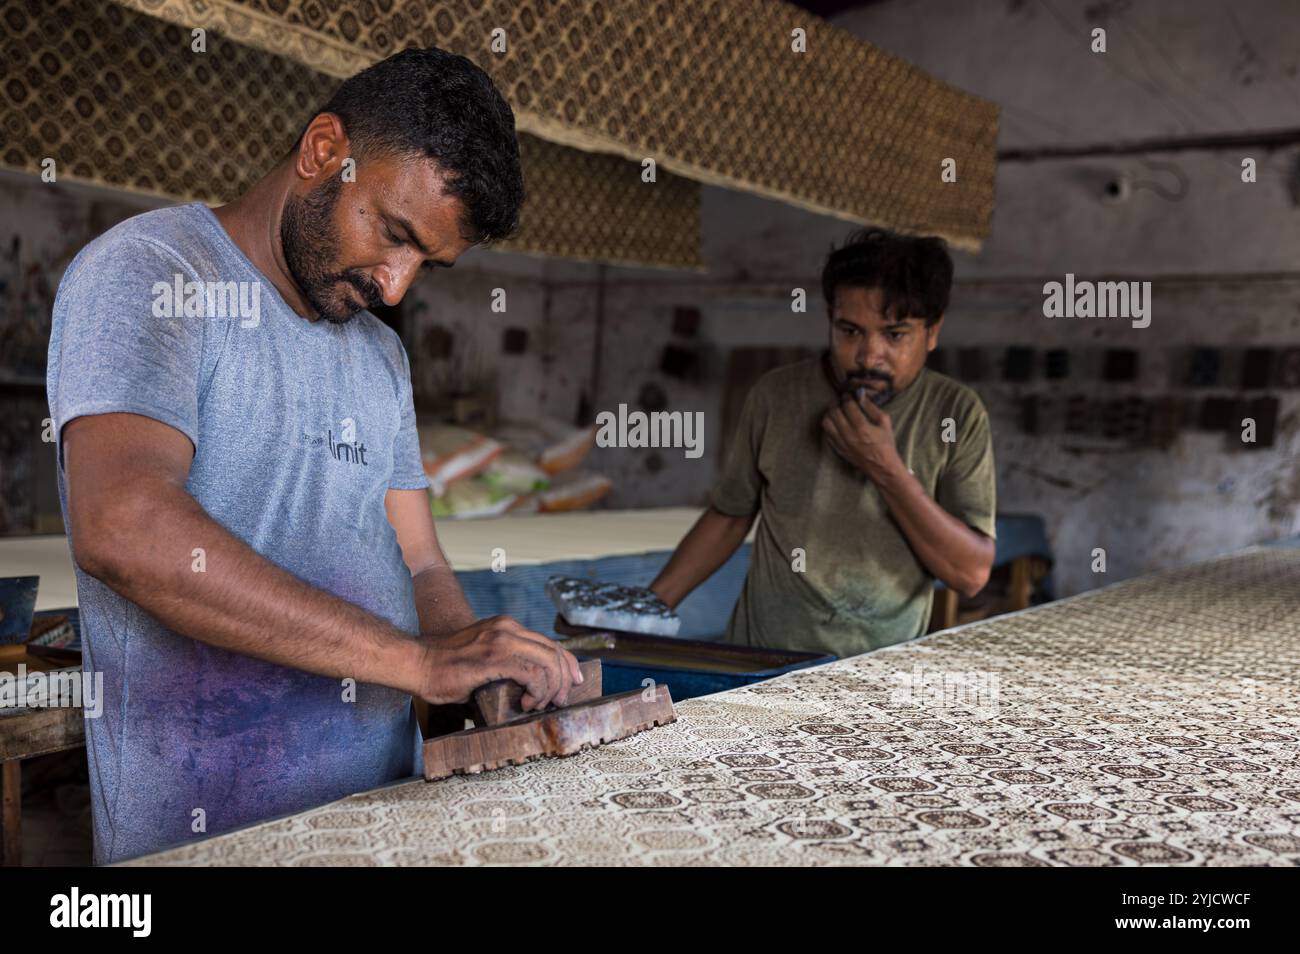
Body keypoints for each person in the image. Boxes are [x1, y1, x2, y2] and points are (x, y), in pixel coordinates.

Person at [47, 47, 582, 864]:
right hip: (208, 831)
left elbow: (421, 561)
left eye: (425, 265)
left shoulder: (380, 356)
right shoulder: (154, 274)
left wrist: (475, 665)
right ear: (324, 150)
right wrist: (417, 661)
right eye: (394, 233)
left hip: (382, 820)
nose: (397, 286)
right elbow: (123, 526)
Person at [650, 228, 997, 658]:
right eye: (850, 331)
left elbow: (970, 574)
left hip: (878, 667)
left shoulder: (957, 413)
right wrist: (648, 607)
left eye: (895, 335)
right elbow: (730, 516)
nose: (869, 356)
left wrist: (885, 468)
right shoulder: (776, 395)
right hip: (759, 656)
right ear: (830, 320)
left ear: (932, 332)